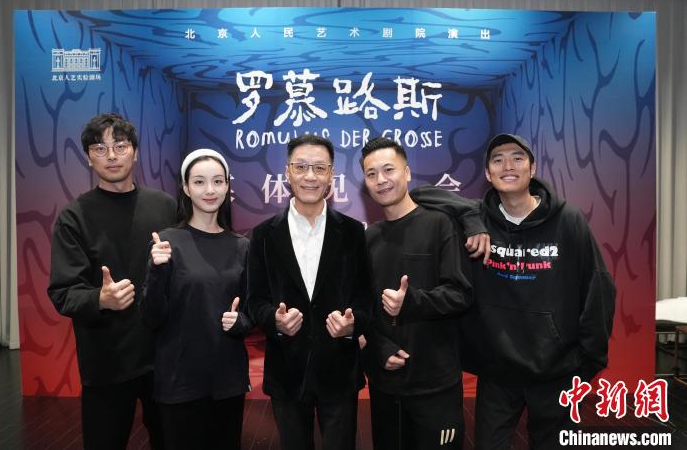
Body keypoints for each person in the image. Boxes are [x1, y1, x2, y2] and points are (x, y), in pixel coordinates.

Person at [411, 134, 616, 450]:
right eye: (498, 160)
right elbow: (420, 194)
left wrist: (588, 360)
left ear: (532, 168)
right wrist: (471, 217)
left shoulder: (568, 220)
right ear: (487, 173)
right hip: (498, 372)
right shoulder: (479, 218)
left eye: (517, 158)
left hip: (557, 371)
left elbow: (598, 288)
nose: (508, 165)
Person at [48, 113, 174, 449]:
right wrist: (99, 299)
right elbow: (62, 292)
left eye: (120, 146)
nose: (112, 156)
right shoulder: (74, 217)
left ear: (135, 152)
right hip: (106, 360)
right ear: (89, 158)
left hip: (163, 356)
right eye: (100, 149)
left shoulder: (165, 206)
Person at [246, 134, 372, 450]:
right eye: (301, 167)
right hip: (286, 371)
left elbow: (365, 297)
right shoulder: (262, 235)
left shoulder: (353, 232)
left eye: (319, 167)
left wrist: (353, 324)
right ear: (287, 172)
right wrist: (274, 320)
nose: (310, 176)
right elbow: (254, 300)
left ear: (331, 175)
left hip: (339, 371)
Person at [358, 137, 474, 450]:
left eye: (388, 169)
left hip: (435, 385)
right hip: (385, 385)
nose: (381, 180)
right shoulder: (368, 238)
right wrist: (378, 349)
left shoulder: (440, 224)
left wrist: (412, 301)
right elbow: (364, 308)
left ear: (407, 173)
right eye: (371, 174)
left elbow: (461, 294)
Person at [141, 149, 251, 450]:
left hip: (227, 379)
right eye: (199, 182)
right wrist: (157, 270)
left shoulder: (242, 246)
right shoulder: (166, 242)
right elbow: (151, 317)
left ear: (227, 187)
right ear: (186, 189)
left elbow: (253, 310)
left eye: (218, 181)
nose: (210, 190)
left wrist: (240, 321)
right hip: (179, 379)